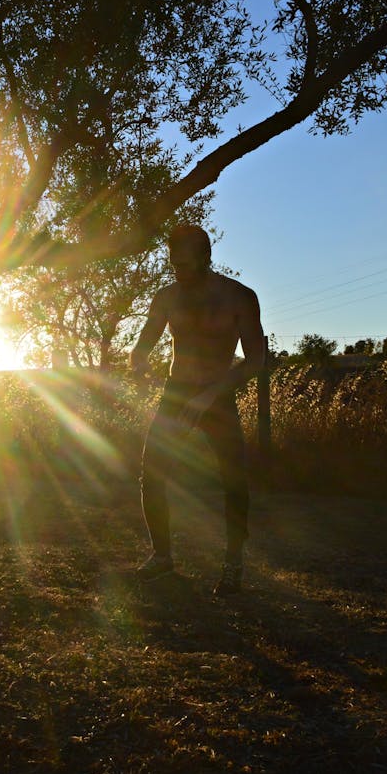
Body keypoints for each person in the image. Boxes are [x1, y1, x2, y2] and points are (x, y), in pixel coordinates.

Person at [128, 224, 266, 595]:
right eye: (175, 266)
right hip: (176, 394)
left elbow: (256, 359)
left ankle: (233, 562)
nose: (180, 273)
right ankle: (162, 558)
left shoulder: (240, 297)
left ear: (206, 258)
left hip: (218, 395)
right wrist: (138, 360)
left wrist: (210, 395)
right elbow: (144, 343)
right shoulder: (166, 297)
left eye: (187, 265)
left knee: (233, 479)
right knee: (152, 474)